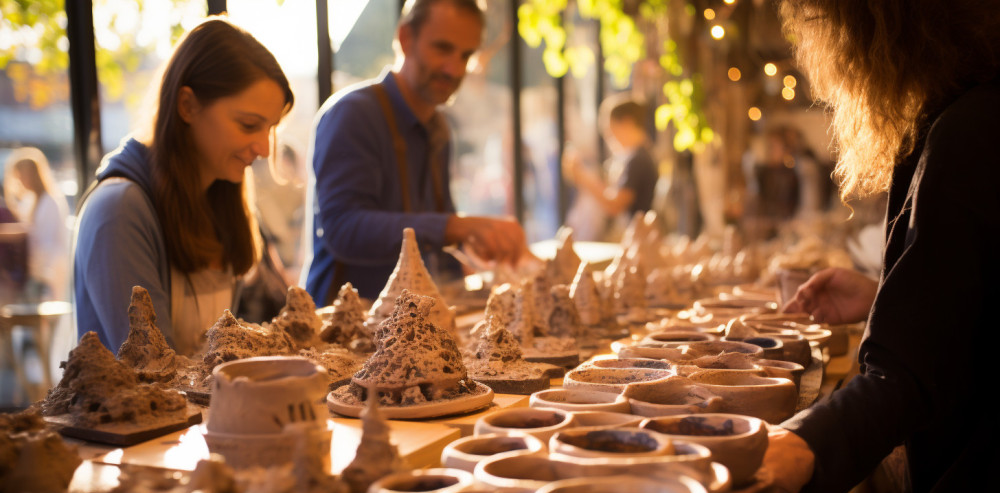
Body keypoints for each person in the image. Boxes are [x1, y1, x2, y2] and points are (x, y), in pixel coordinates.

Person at [765, 0, 1000, 493]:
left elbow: (910, 377)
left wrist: (798, 444)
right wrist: (884, 297)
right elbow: (974, 310)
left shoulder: (974, 126)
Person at [73, 17, 294, 355]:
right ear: (187, 105)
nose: (264, 148)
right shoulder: (119, 210)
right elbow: (151, 375)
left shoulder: (220, 195)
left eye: (271, 129)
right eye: (249, 125)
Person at [303, 0, 528, 303]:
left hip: (416, 321)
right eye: (443, 48)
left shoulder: (439, 127)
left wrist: (476, 242)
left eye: (466, 55)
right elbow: (343, 230)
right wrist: (455, 227)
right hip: (346, 330)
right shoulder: (353, 113)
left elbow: (439, 229)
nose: (455, 68)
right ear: (405, 38)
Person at [562, 94, 659, 235]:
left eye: (610, 129)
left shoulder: (638, 160)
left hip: (635, 237)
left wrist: (581, 176)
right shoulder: (635, 156)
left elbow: (614, 205)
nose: (608, 136)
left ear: (627, 123)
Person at [3, 147, 70, 301]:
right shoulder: (30, 200)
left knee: (45, 318)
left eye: (21, 175)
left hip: (49, 271)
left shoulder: (50, 202)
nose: (19, 180)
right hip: (36, 271)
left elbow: (39, 236)